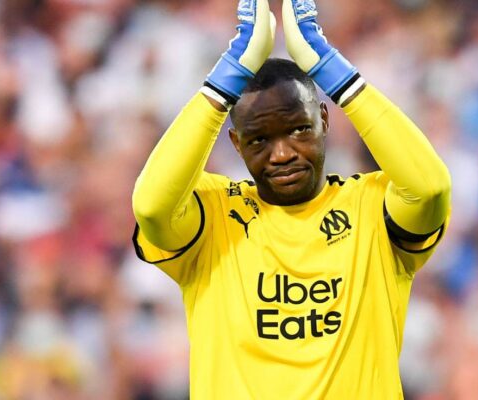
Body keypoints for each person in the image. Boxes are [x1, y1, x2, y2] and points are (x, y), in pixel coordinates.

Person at [130, 0, 451, 398]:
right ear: (236, 143)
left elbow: (430, 187)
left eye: (299, 129)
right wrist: (229, 73)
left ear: (324, 120)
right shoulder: (214, 215)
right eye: (259, 140)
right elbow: (151, 206)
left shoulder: (370, 207)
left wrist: (330, 68)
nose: (282, 154)